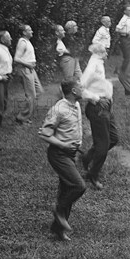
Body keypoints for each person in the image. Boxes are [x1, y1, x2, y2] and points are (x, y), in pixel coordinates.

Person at [38, 79, 86, 242]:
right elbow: (45, 134)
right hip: (59, 154)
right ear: (73, 91)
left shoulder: (76, 105)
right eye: (80, 87)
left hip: (71, 154)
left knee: (67, 188)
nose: (83, 89)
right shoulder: (58, 109)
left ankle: (58, 229)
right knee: (78, 186)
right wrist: (64, 145)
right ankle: (58, 211)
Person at [80, 43, 119, 190]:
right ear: (99, 53)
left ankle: (87, 158)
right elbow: (80, 87)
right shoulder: (92, 66)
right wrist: (96, 98)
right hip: (98, 108)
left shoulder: (98, 63)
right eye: (104, 51)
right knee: (103, 144)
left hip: (105, 106)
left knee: (113, 138)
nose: (107, 53)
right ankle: (92, 175)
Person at [14, 25, 44, 124]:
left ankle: (27, 112)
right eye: (29, 30)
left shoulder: (27, 41)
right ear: (24, 32)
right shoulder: (22, 42)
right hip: (25, 70)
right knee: (31, 95)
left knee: (39, 91)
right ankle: (22, 118)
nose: (32, 31)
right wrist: (28, 65)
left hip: (31, 70)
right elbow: (16, 58)